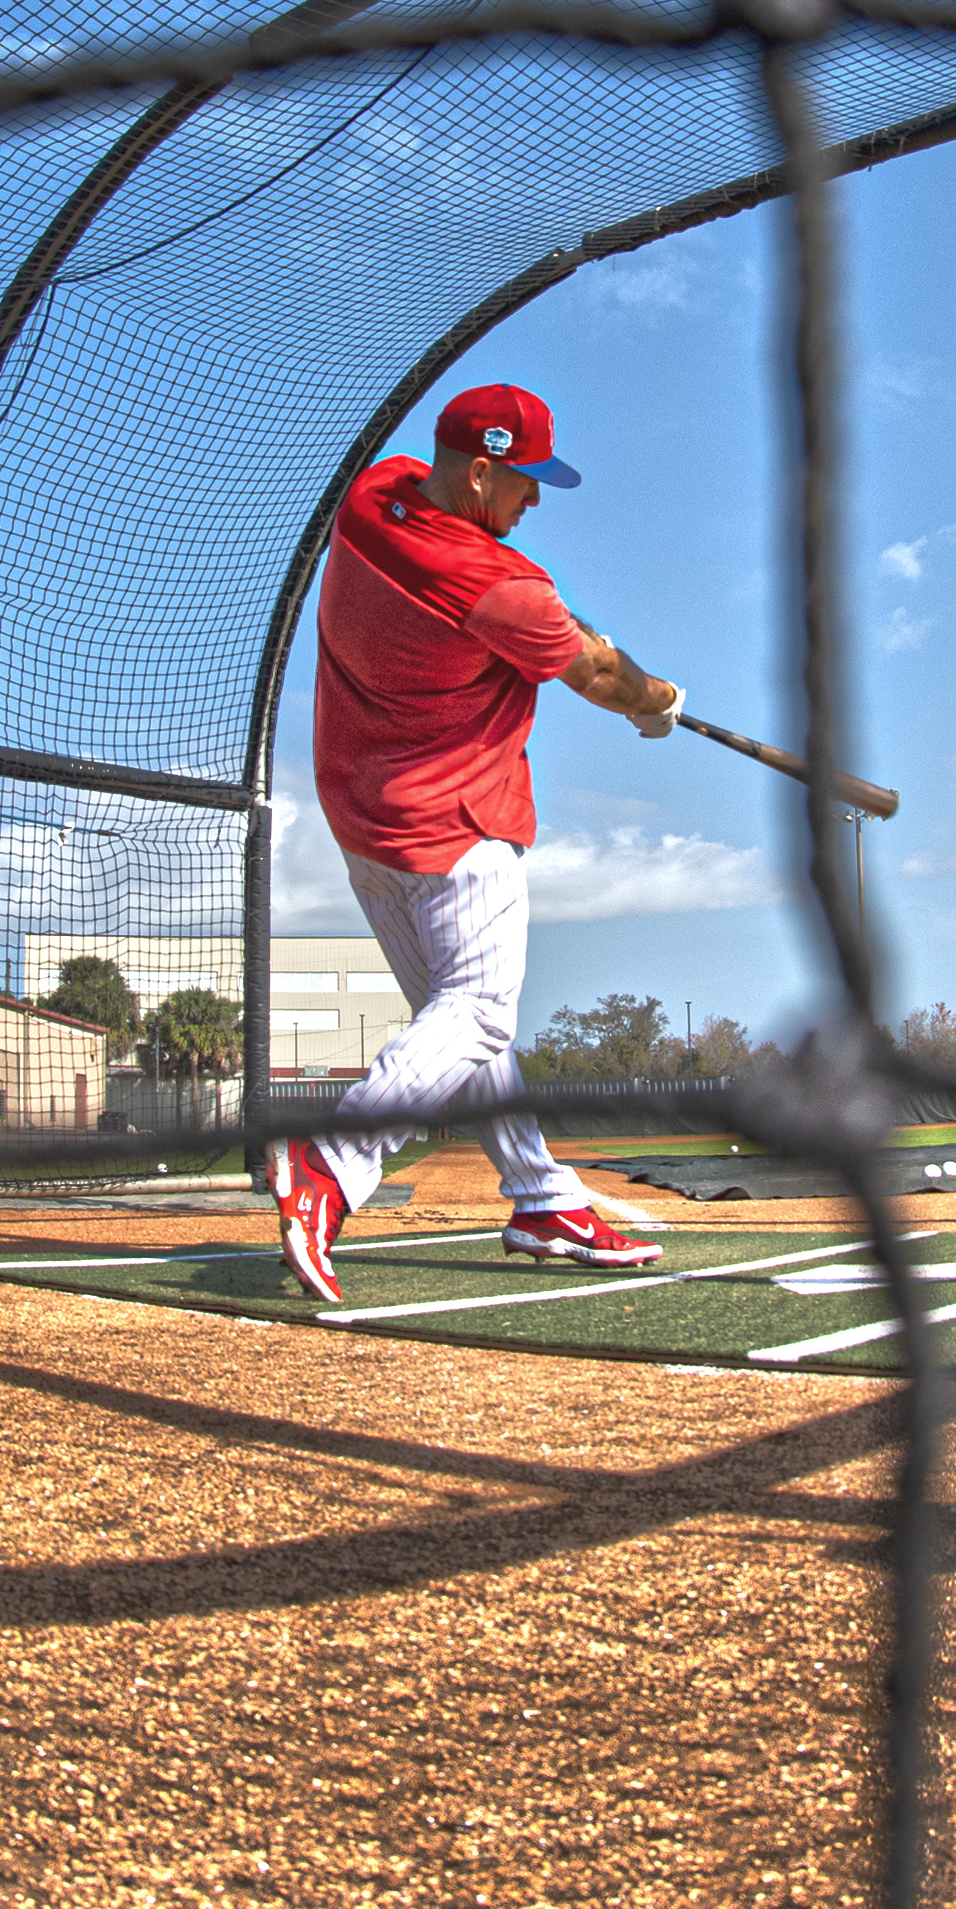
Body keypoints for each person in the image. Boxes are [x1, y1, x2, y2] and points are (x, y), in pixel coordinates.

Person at [269, 382, 685, 1304]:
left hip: (362, 823)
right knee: (484, 1014)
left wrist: (569, 629)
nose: (533, 502)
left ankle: (540, 1198)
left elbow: (536, 618)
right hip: (457, 826)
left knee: (461, 1035)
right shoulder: (506, 587)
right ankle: (329, 1165)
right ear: (484, 470)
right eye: (526, 483)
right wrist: (659, 703)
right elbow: (603, 677)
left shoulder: (373, 496)